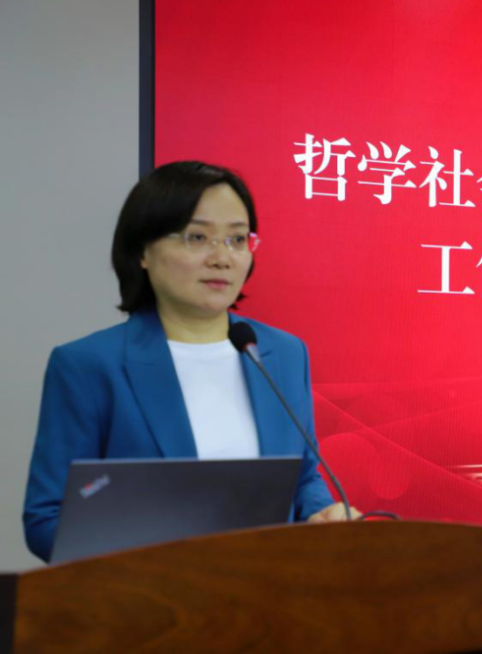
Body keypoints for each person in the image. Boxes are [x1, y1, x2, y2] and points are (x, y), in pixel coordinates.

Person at [23, 161, 356, 562]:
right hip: (152, 595)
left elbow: (302, 480)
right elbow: (47, 519)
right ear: (143, 251)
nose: (222, 257)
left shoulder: (281, 354)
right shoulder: (89, 365)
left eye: (237, 239)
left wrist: (323, 514)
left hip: (272, 589)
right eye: (198, 237)